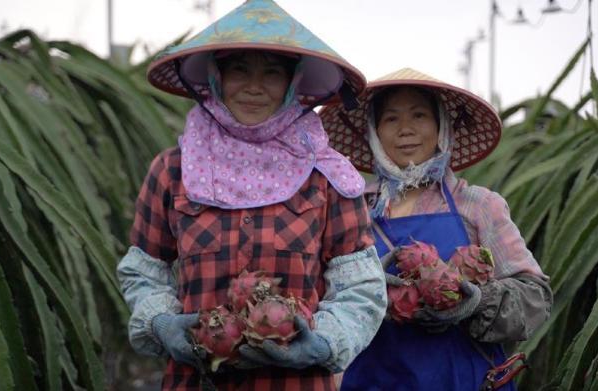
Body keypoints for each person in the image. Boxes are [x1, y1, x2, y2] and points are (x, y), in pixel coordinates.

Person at [116, 1, 387, 390]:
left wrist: (325, 341)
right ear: (215, 78)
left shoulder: (326, 174)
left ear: (293, 83)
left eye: (272, 73)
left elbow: (360, 285)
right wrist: (160, 322)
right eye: (239, 69)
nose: (254, 87)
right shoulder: (175, 170)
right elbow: (145, 269)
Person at [319, 68, 553, 391]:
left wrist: (473, 302)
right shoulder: (351, 207)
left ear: (441, 126)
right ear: (373, 132)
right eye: (390, 119)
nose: (406, 130)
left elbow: (536, 298)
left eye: (419, 116)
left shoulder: (478, 205)